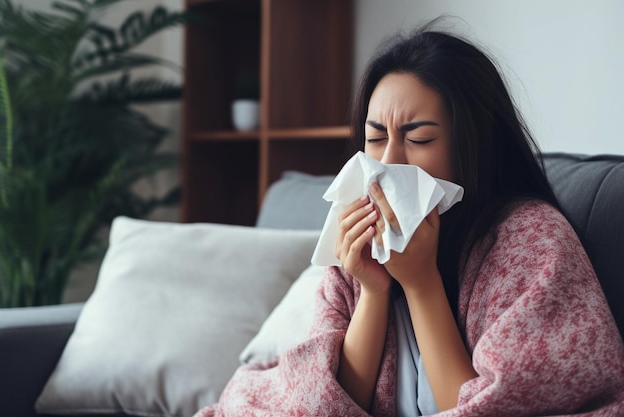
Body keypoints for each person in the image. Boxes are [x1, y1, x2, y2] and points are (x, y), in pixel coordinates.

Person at [195, 27, 624, 417]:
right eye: (376, 138)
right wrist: (373, 291)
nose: (388, 163)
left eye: (418, 139)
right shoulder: (355, 237)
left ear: (472, 145)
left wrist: (422, 284)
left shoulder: (529, 239)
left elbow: (493, 407)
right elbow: (329, 404)